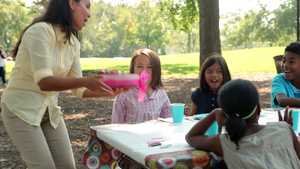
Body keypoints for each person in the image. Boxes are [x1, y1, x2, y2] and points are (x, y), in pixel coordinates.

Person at [1, 0, 127, 168]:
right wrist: (86, 80)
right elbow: (44, 82)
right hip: (20, 110)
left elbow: (79, 90)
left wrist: (109, 91)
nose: (89, 14)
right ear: (72, 3)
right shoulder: (40, 31)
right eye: (87, 6)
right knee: (45, 166)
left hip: (50, 113)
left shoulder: (73, 43)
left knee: (67, 166)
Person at [186, 79, 300, 169]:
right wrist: (282, 129)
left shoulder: (225, 142)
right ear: (259, 108)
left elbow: (191, 137)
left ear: (226, 115)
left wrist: (214, 113)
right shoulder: (284, 129)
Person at [111, 48, 172, 123]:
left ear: (156, 70)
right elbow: (115, 125)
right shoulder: (124, 95)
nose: (144, 71)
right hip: (130, 134)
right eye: (139, 66)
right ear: (133, 69)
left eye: (149, 67)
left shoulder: (161, 95)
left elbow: (169, 121)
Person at [271, 42, 300, 108]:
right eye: (284, 61)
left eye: (291, 62)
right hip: (281, 118)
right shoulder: (279, 80)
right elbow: (282, 100)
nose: (285, 65)